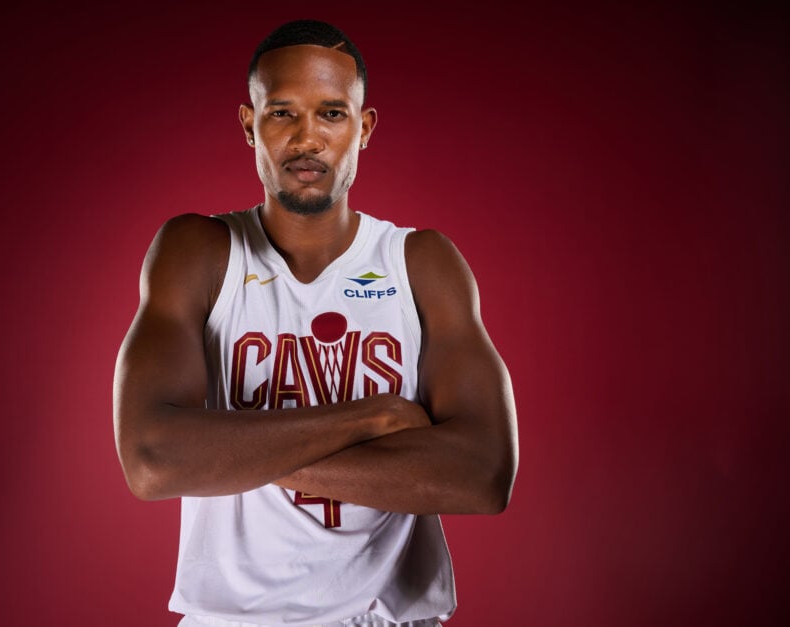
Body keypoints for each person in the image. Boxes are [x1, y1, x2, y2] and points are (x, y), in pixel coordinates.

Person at [113, 19, 518, 627]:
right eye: (282, 113)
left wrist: (225, 449)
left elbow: (483, 475)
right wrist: (373, 418)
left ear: (364, 126)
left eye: (332, 113)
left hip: (388, 619)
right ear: (249, 125)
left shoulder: (420, 262)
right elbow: (152, 461)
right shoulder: (198, 250)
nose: (308, 139)